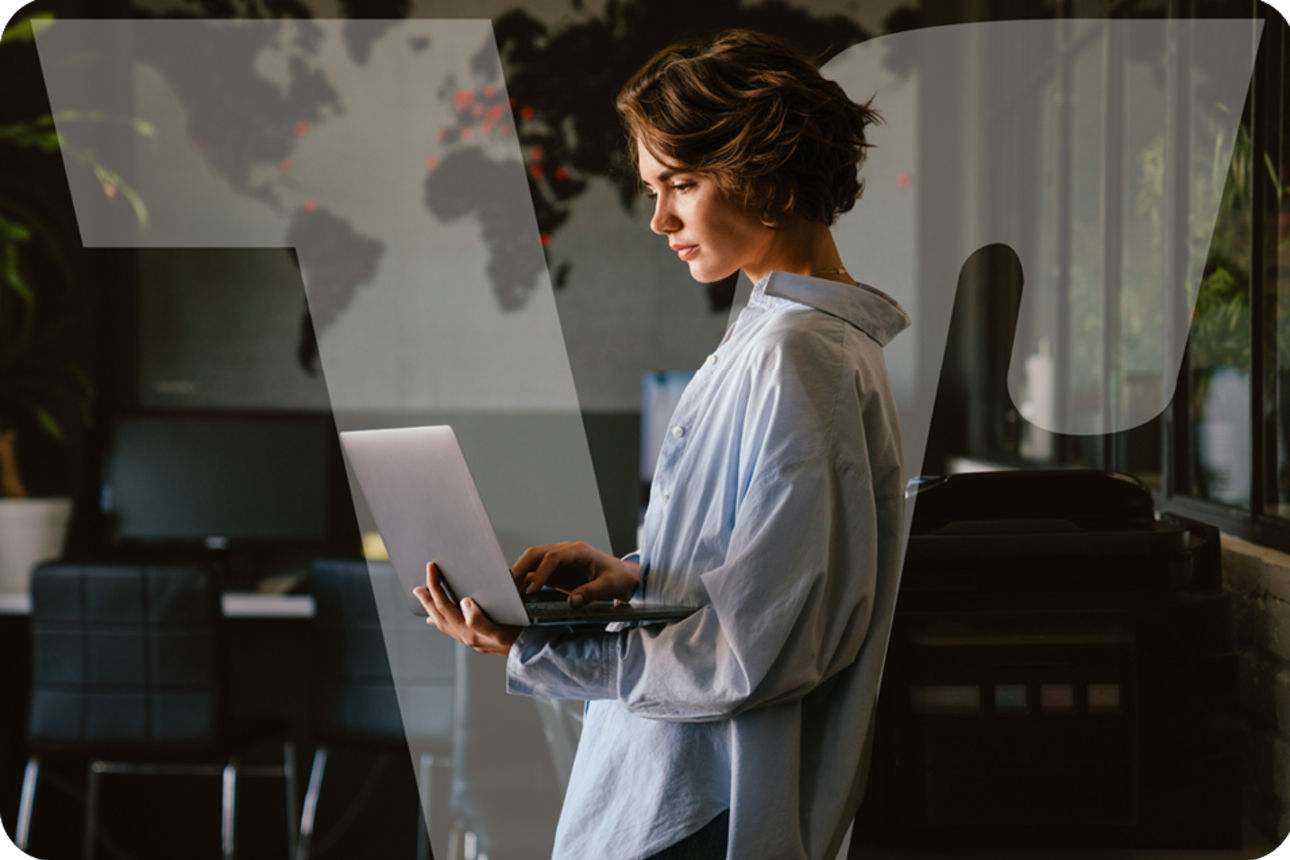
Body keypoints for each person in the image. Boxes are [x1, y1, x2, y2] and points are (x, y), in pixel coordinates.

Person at [413, 28, 910, 860]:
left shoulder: (801, 357)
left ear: (771, 175)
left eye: (681, 184)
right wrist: (635, 575)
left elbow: (755, 649)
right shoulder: (777, 341)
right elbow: (763, 564)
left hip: (703, 806)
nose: (660, 218)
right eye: (654, 187)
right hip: (677, 787)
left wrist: (538, 645)